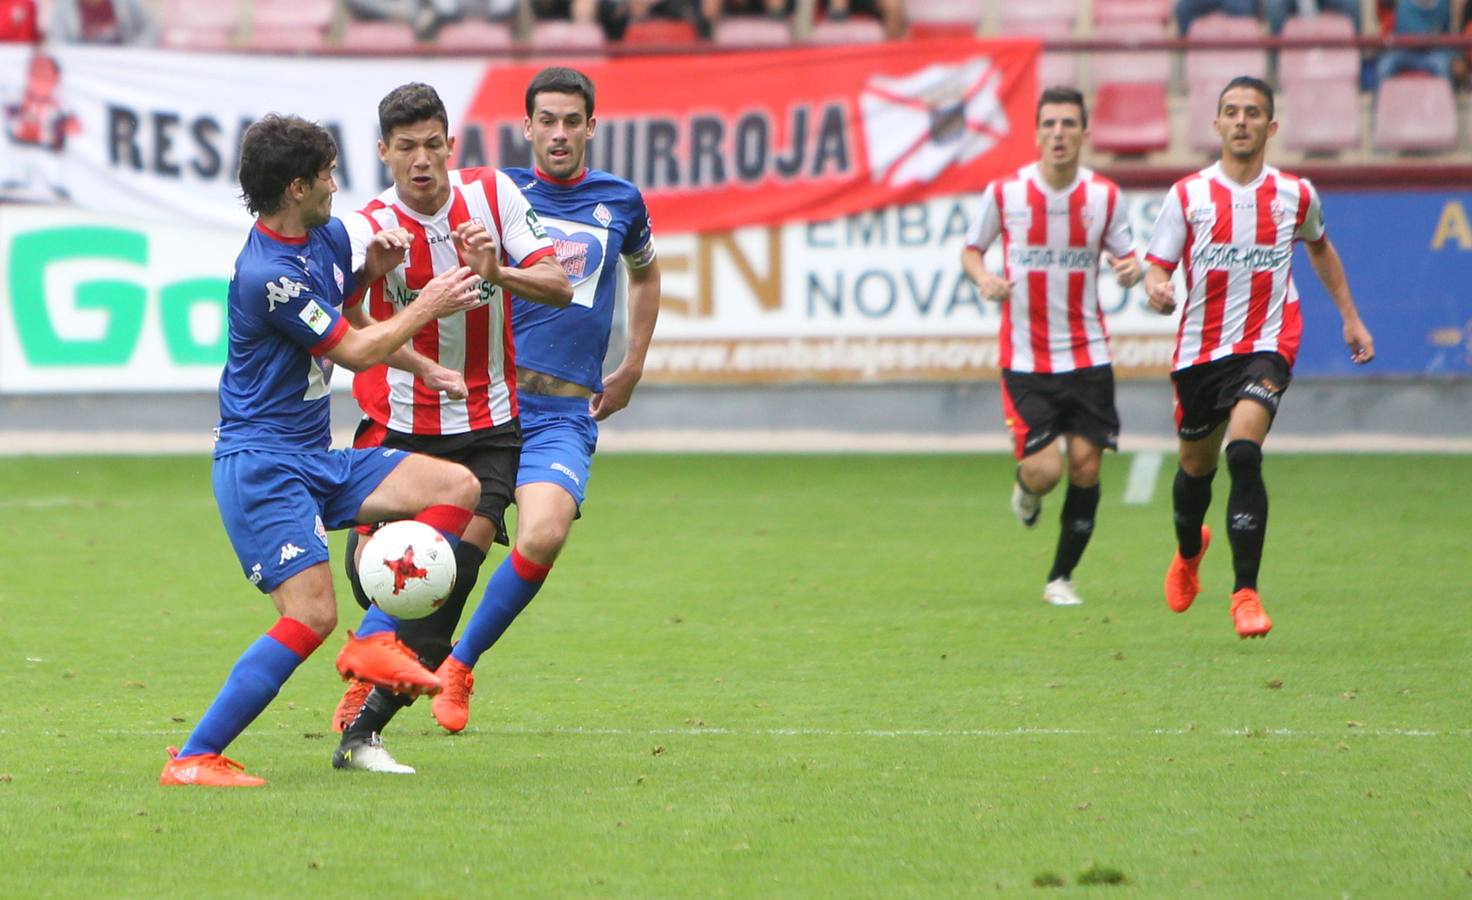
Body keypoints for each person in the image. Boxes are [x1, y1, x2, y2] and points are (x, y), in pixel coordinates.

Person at [331, 65, 659, 769]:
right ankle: (370, 659)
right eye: (550, 120)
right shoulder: (393, 218)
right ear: (527, 126)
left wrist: (629, 361)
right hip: (421, 414)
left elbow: (598, 278)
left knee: (507, 547)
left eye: (575, 121)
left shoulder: (562, 199)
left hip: (527, 415)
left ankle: (421, 684)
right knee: (386, 568)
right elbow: (343, 316)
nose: (562, 133)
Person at [159, 113, 488, 787]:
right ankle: (194, 758)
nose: (337, 186)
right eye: (328, 176)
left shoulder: (324, 236)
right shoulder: (267, 276)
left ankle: (374, 640)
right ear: (297, 187)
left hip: (314, 457)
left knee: (458, 489)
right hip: (262, 467)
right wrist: (426, 304)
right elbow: (354, 348)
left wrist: (371, 272)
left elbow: (346, 307)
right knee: (310, 616)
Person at [1144, 76, 1374, 639]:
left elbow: (1319, 247)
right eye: (1231, 111)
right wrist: (1156, 287)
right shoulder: (1188, 195)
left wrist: (1349, 315)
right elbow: (1158, 266)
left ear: (1270, 127)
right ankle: (1188, 548)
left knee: (1243, 451)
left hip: (1266, 343)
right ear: (1216, 124)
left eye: (1252, 113)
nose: (1241, 121)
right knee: (1196, 467)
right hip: (1201, 350)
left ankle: (1245, 593)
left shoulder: (1296, 195)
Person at [960, 86, 1141, 608]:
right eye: (1049, 124)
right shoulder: (1006, 194)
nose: (1058, 133)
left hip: (1088, 356)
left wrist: (1131, 273)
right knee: (1046, 471)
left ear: (1085, 133)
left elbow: (1129, 264)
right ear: (1036, 132)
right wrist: (985, 278)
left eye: (1068, 124)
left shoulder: (1105, 197)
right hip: (1026, 360)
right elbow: (971, 251)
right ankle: (1026, 490)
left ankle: (1060, 578)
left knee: (1086, 467)